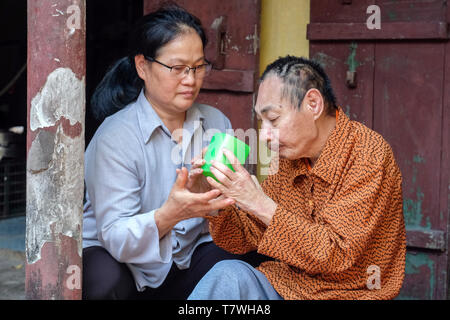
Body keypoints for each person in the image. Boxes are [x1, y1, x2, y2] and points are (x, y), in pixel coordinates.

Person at [82, 5, 267, 300]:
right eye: (177, 68)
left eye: (198, 67)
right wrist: (171, 214)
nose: (191, 80)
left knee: (249, 262)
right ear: (143, 66)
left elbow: (227, 217)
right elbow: (116, 237)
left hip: (188, 253)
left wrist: (224, 195)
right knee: (105, 282)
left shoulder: (216, 122)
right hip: (124, 261)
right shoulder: (114, 137)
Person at [187, 56, 406, 300]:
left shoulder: (368, 154)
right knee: (228, 275)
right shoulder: (289, 158)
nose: (264, 136)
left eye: (274, 119)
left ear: (313, 104)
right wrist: (215, 197)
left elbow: (336, 254)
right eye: (262, 122)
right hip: (287, 288)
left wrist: (258, 202)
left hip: (350, 295)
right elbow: (246, 237)